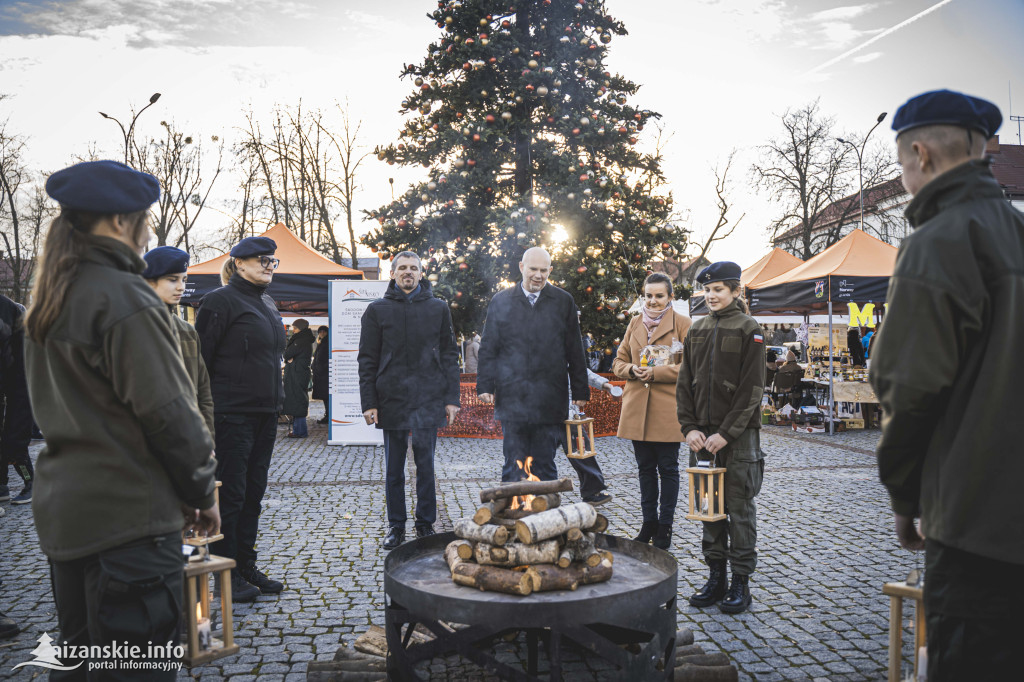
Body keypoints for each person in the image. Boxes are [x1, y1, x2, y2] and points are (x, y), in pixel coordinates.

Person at [24, 160, 219, 675]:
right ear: (117, 222)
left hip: (69, 516)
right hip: (127, 521)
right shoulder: (125, 298)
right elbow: (171, 415)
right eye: (144, 217)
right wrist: (203, 495)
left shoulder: (51, 295)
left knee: (85, 665)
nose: (148, 227)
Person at [870, 89, 1023, 681]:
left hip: (974, 522)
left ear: (920, 154)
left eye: (901, 161)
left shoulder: (936, 243)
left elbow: (909, 389)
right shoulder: (1015, 233)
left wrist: (906, 499)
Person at [195, 235, 286, 601]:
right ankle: (226, 575)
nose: (268, 265)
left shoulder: (266, 302)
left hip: (265, 412)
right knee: (231, 495)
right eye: (261, 260)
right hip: (231, 414)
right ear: (239, 264)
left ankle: (245, 565)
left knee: (253, 494)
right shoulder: (219, 301)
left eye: (272, 261)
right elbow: (201, 361)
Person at [676, 262, 766, 614]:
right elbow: (684, 386)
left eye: (718, 290)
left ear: (735, 292)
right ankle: (716, 577)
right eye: (707, 291)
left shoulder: (749, 328)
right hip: (701, 437)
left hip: (739, 438)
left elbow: (752, 389)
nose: (711, 296)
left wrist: (726, 434)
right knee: (708, 510)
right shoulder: (695, 330)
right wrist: (690, 428)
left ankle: (741, 582)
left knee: (739, 509)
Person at [358, 252, 460, 549]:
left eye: (413, 268)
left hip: (429, 397)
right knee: (394, 468)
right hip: (391, 398)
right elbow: (367, 359)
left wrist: (451, 398)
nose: (408, 272)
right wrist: (369, 402)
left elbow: (450, 356)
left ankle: (425, 523)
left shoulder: (438, 308)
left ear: (421, 273)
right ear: (392, 273)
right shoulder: (377, 310)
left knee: (426, 466)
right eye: (402, 268)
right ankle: (396, 525)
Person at [477, 247, 589, 484]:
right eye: (533, 269)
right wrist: (485, 385)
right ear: (521, 268)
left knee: (545, 463)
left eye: (543, 270)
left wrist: (580, 390)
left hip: (550, 398)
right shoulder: (501, 301)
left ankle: (547, 519)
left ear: (550, 270)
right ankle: (511, 516)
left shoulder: (563, 301)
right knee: (513, 463)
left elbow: (574, 349)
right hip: (511, 397)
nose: (538, 275)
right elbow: (489, 348)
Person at [613, 272, 691, 548]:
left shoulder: (683, 324)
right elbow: (618, 362)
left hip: (667, 408)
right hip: (637, 407)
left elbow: (691, 367)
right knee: (644, 469)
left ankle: (665, 527)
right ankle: (648, 523)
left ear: (670, 297)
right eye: (649, 295)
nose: (653, 301)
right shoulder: (634, 323)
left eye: (659, 296)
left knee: (668, 468)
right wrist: (632, 369)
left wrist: (658, 373)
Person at [142, 246, 215, 439]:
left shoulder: (187, 331)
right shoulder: (127, 328)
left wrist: (206, 439)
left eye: (184, 280)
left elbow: (203, 392)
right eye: (172, 279)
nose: (181, 287)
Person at [1, 294, 33, 506]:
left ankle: (32, 483)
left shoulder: (6, 308)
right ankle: (2, 486)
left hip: (21, 381)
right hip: (12, 379)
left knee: (14, 442)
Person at [282, 319, 315, 438]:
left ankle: (300, 431)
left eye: (295, 328)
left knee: (298, 400)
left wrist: (289, 359)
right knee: (297, 400)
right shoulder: (304, 339)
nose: (293, 330)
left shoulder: (300, 340)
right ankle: (298, 430)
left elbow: (287, 354)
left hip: (297, 374)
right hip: (298, 372)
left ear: (300, 328)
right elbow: (288, 356)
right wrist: (289, 360)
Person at [312, 325, 330, 424]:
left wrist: (320, 368)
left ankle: (328, 416)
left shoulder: (326, 343)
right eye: (320, 332)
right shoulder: (322, 342)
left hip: (323, 375)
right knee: (325, 397)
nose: (322, 333)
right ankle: (327, 415)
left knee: (326, 396)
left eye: (324, 331)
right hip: (322, 374)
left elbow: (323, 359)